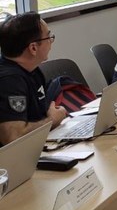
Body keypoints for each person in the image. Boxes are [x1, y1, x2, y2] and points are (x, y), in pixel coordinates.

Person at [0, 12, 67, 146]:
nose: (51, 41)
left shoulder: (32, 70)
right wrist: (52, 120)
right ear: (33, 48)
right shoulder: (9, 81)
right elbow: (13, 137)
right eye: (48, 37)